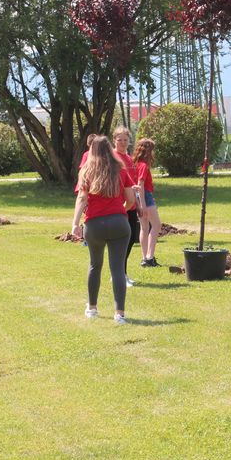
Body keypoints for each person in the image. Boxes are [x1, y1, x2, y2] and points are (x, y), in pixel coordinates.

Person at [71, 135, 139, 325]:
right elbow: (131, 199)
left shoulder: (87, 171)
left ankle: (92, 308)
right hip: (119, 223)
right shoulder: (120, 169)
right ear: (110, 148)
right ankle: (120, 314)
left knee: (95, 265)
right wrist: (120, 211)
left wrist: (75, 223)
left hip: (94, 224)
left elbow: (82, 198)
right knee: (117, 268)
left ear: (92, 150)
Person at [112, 126, 144, 285]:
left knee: (130, 239)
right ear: (114, 140)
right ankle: (119, 276)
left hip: (130, 205)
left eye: (125, 140)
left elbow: (132, 183)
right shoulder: (113, 158)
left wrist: (138, 203)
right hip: (119, 205)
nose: (123, 143)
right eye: (120, 140)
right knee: (121, 242)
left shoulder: (129, 159)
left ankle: (122, 274)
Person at [133, 138, 162, 267]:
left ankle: (145, 258)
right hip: (145, 197)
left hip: (138, 197)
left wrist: (139, 203)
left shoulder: (135, 164)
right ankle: (150, 257)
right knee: (156, 225)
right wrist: (143, 205)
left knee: (144, 228)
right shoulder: (144, 166)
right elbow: (141, 185)